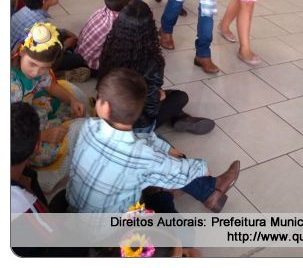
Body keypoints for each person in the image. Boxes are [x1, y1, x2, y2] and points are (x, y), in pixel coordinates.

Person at [66, 68, 240, 213]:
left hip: (73, 209)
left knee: (151, 167)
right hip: (111, 227)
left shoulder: (84, 126)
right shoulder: (142, 156)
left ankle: (180, 190)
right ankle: (202, 190)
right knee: (167, 201)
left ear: (104, 108)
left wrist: (164, 147)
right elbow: (176, 170)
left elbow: (140, 140)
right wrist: (200, 168)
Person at [98, 1, 214, 134]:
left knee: (159, 94)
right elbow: (150, 107)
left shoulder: (110, 47)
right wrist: (159, 95)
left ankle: (179, 118)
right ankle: (179, 117)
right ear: (150, 27)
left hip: (107, 115)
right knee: (180, 97)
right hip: (138, 125)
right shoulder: (153, 61)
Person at [11, 23, 86, 167]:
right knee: (42, 156)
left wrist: (72, 100)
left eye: (45, 68)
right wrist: (41, 136)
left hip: (30, 108)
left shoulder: (40, 73)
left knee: (73, 108)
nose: (36, 73)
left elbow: (50, 85)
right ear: (21, 52)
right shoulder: (10, 81)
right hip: (15, 126)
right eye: (32, 64)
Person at [75, 0, 132, 72]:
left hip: (80, 53)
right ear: (128, 3)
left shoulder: (104, 10)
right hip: (92, 65)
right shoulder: (118, 24)